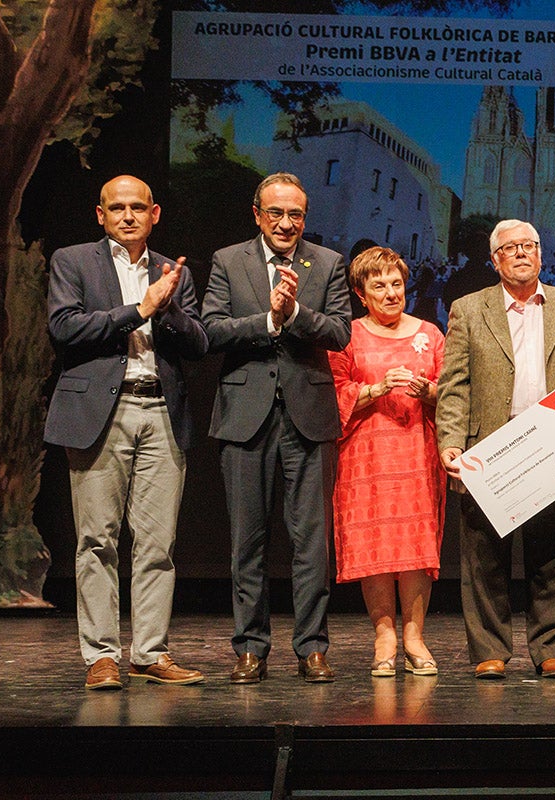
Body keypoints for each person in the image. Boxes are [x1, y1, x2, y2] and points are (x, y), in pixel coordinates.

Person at [45, 175, 207, 689]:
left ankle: (150, 651)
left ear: (155, 213)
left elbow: (199, 343)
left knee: (158, 543)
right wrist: (140, 308)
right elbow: (66, 327)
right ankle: (101, 655)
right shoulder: (73, 262)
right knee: (97, 539)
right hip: (100, 414)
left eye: (138, 207)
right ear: (101, 215)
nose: (128, 215)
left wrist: (171, 306)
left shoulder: (171, 271)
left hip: (161, 410)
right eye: (117, 208)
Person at [436, 219, 555, 680]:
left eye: (530, 245)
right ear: (495, 260)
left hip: (551, 449)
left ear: (541, 255)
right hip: (488, 451)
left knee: (551, 558)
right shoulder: (469, 310)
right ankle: (490, 651)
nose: (521, 253)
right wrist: (450, 443)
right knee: (484, 561)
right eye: (510, 248)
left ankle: (550, 649)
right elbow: (454, 386)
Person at [202, 172, 351, 684]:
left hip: (308, 420)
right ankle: (250, 647)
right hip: (245, 418)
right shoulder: (228, 261)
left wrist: (294, 315)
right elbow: (211, 330)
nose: (286, 223)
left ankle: (312, 647)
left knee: (311, 543)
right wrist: (267, 321)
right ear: (257, 214)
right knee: (248, 541)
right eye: (276, 214)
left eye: (296, 215)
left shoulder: (327, 262)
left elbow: (339, 332)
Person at [329, 246, 446, 677]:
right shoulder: (347, 335)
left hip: (416, 450)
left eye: (396, 283)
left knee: (416, 548)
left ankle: (414, 636)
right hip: (366, 455)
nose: (391, 292)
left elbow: (452, 392)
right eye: (379, 285)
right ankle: (384, 636)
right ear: (362, 293)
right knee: (374, 547)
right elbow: (333, 393)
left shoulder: (431, 334)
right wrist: (377, 389)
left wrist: (426, 390)